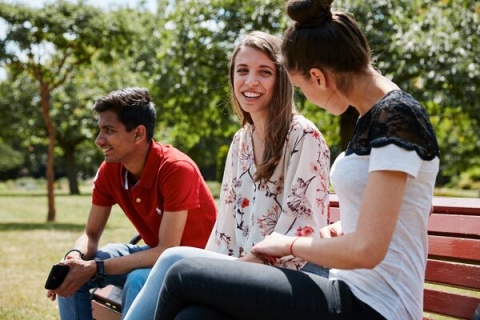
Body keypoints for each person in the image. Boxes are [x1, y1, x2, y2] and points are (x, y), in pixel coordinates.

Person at [153, 0, 440, 319]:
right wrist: (347, 225)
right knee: (195, 315)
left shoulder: (397, 117)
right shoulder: (375, 118)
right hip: (344, 290)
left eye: (300, 87)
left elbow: (368, 250)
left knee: (181, 276)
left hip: (375, 307)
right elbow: (410, 205)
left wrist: (288, 245)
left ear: (317, 77)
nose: (303, 98)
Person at [123, 31, 330, 320]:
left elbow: (301, 228)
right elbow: (226, 226)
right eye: (242, 71)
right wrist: (218, 271)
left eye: (264, 72)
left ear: (281, 79)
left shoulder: (303, 136)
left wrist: (228, 271)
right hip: (244, 275)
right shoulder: (241, 141)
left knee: (172, 258)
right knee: (189, 316)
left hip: (292, 280)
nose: (251, 81)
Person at [45, 87, 217, 320]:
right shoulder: (111, 170)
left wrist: (97, 268)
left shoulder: (176, 169)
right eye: (99, 130)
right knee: (71, 271)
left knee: (137, 279)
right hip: (156, 255)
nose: (98, 140)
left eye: (109, 130)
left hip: (196, 265)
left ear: (138, 134)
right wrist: (75, 256)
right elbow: (91, 234)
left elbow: (168, 251)